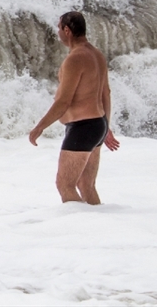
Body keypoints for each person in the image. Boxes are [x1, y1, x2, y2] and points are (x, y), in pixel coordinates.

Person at [29, 11, 120, 204]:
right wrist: (106, 126)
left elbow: (63, 102)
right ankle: (100, 219)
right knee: (86, 185)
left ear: (67, 30)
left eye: (59, 28)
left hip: (83, 128)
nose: (58, 32)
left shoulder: (75, 59)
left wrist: (40, 127)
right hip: (97, 125)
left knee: (65, 185)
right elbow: (106, 93)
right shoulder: (97, 55)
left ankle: (80, 222)